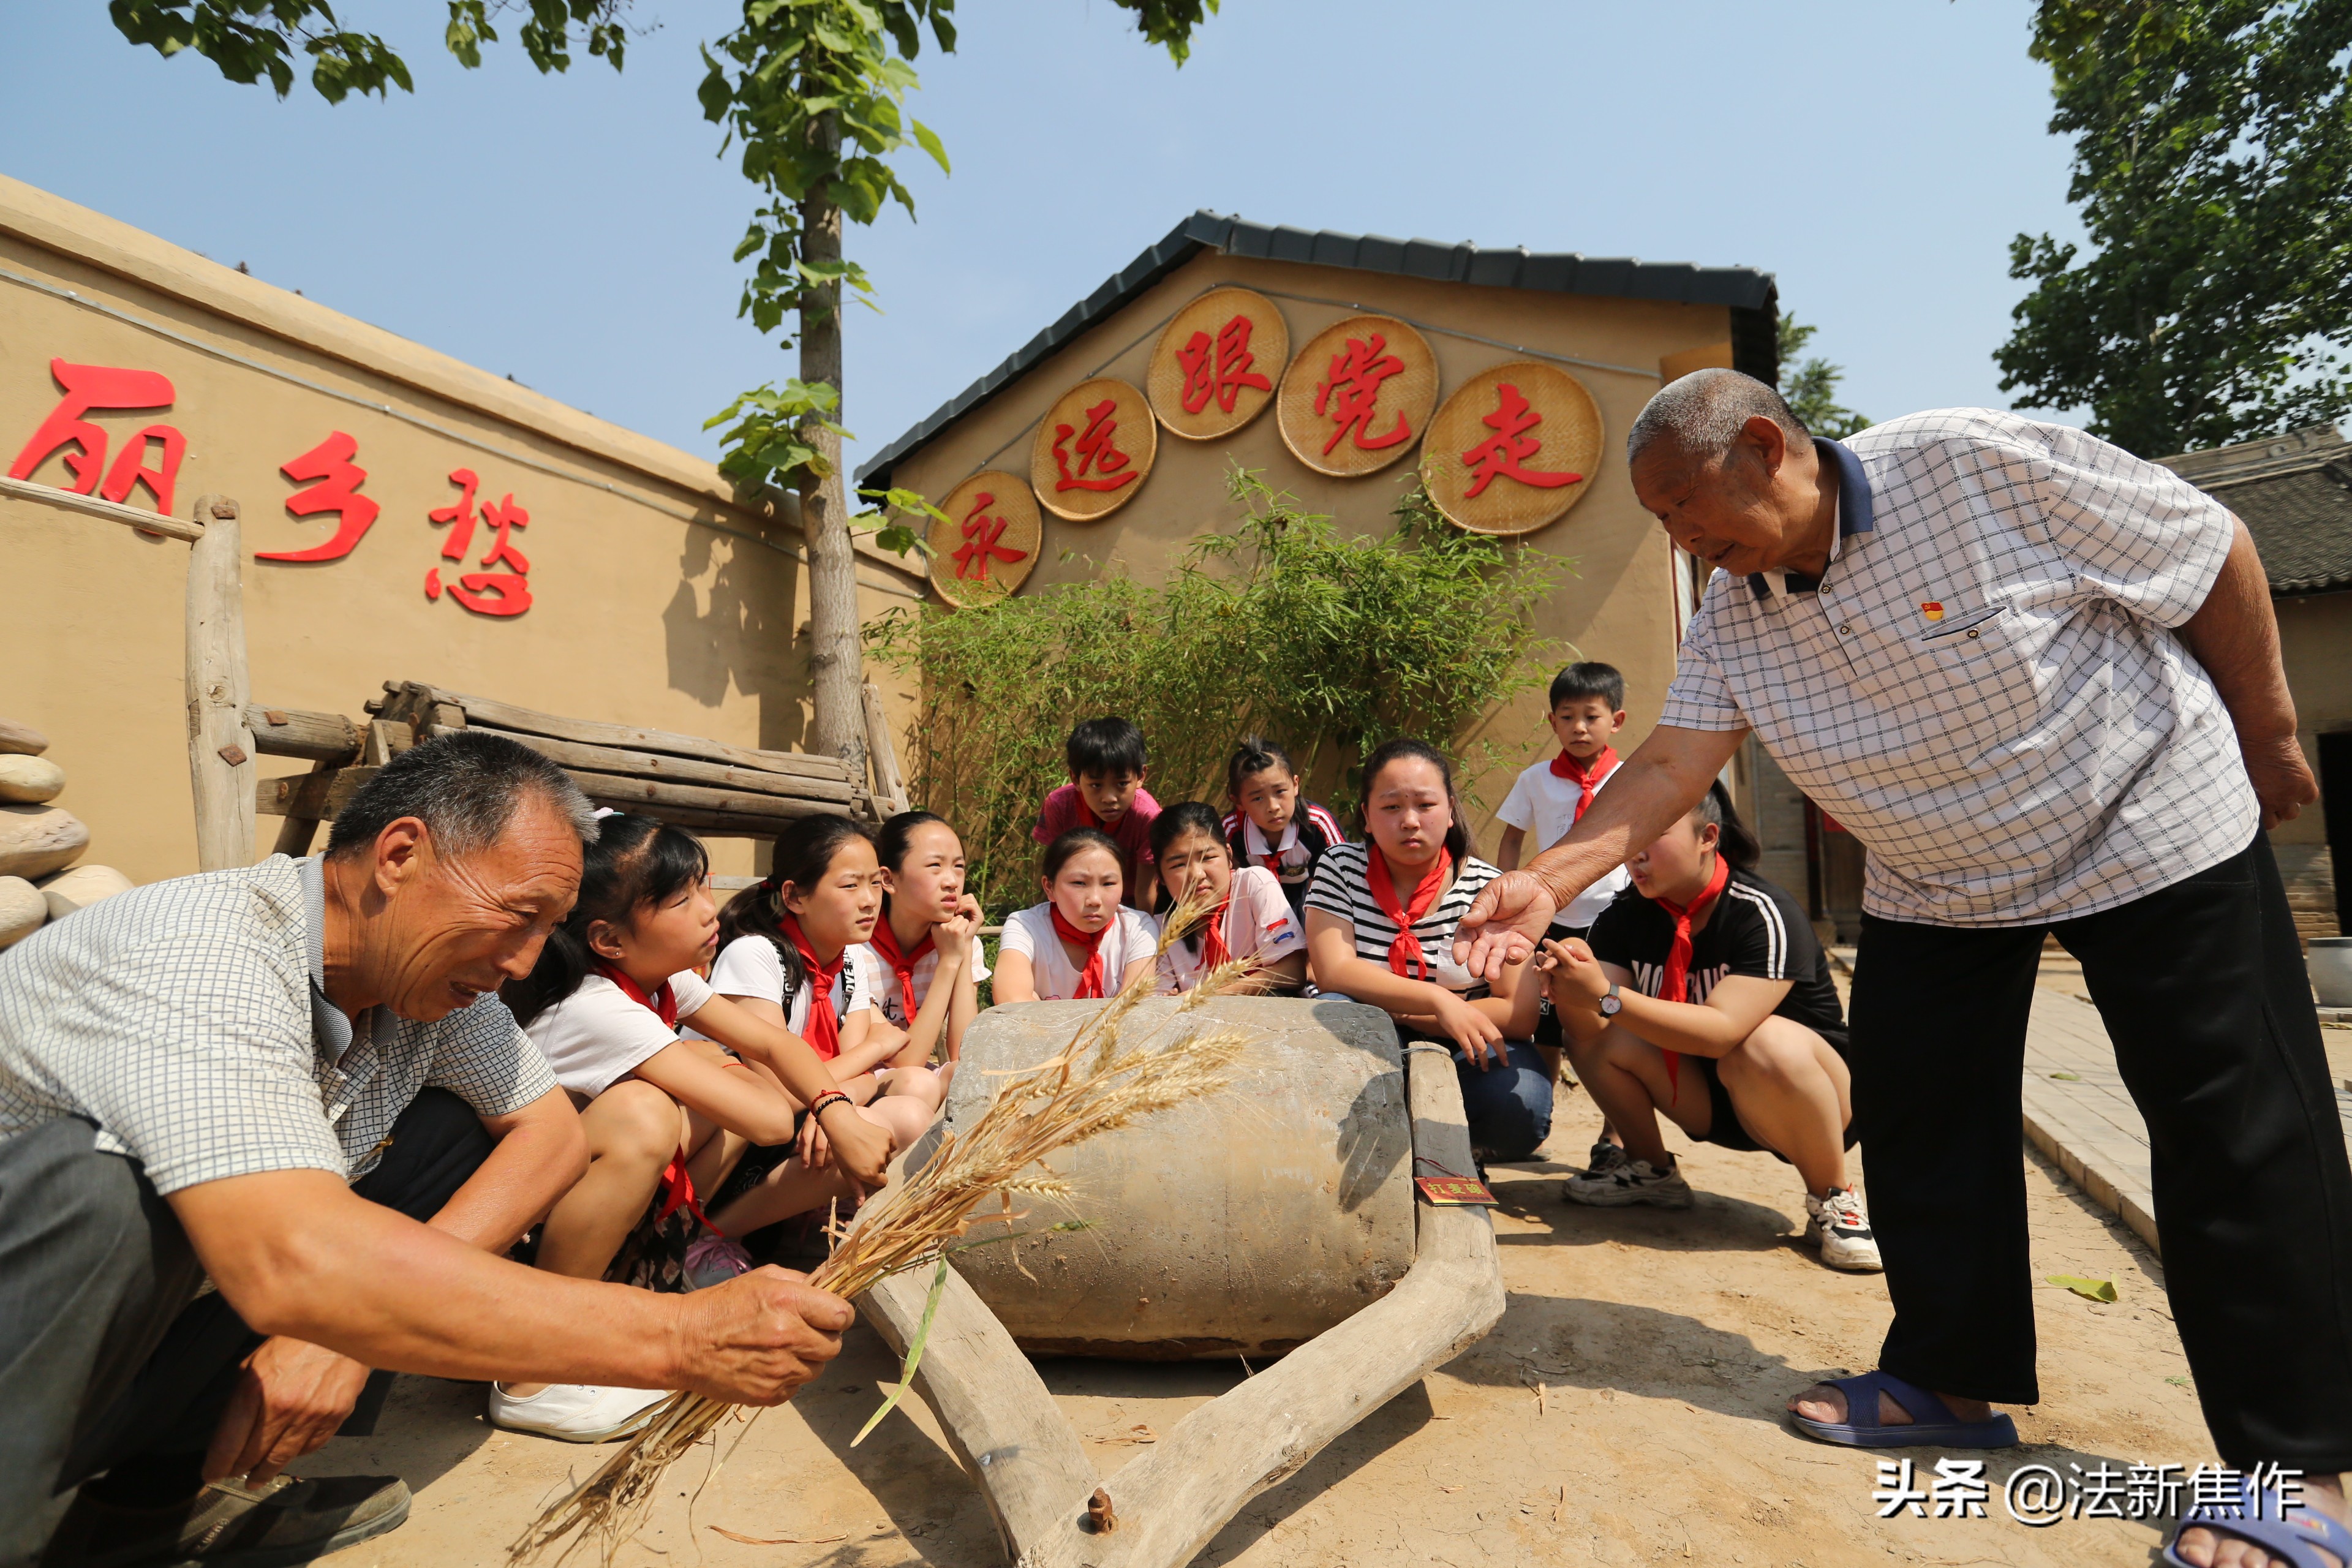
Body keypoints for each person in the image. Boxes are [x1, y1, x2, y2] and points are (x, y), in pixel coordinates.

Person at [1452, 369, 2352, 1567]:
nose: (1680, 539)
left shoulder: (1973, 464)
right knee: (1924, 1113)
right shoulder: (1733, 610)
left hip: (2146, 817)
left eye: (1684, 504)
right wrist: (1550, 878)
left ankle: (2299, 1467)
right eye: (1660, 519)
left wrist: (2270, 733)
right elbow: (1670, 763)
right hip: (1943, 878)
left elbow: (2210, 551)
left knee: (2233, 1126)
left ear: (1764, 446)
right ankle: (1949, 1379)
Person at [0, 733, 861, 1567]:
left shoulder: (422, 986)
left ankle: (141, 1509)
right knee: (102, 1190)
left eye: (550, 927)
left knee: (452, 1136)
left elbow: (551, 1138)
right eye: (520, 916)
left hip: (137, 1341)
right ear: (400, 856)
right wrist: (680, 1338)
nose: (525, 963)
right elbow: (286, 1258)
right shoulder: (205, 955)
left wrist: (350, 1329)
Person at [494, 812, 899, 1441]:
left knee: (702, 1085)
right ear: (609, 939)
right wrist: (731, 1067)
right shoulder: (596, 1007)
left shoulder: (665, 981)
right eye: (682, 900)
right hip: (519, 1242)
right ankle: (532, 1372)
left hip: (575, 1209)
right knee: (645, 1112)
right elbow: (770, 1120)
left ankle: (635, 1291)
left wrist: (834, 1108)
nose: (710, 910)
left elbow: (775, 1047)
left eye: (703, 888)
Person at [1544, 784, 1879, 1272]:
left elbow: (1722, 1030)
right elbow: (1590, 1027)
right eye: (1630, 838)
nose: (1636, 854)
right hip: (1704, 1098)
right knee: (1595, 1035)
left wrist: (1604, 996)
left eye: (1655, 834)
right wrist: (1570, 985)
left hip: (1812, 1102)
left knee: (1763, 1041)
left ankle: (1833, 1197)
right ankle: (1651, 1169)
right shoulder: (1625, 916)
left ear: (1708, 837)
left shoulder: (1761, 911)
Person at [687, 816, 949, 1238]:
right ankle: (706, 1237)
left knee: (918, 1083)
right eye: (850, 886)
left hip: (799, 1113)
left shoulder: (849, 958)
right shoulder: (755, 955)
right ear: (794, 896)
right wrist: (869, 1054)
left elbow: (855, 1071)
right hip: (732, 1144)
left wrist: (837, 1100)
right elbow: (777, 1092)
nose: (870, 901)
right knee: (901, 1116)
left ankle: (808, 1214)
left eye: (875, 883)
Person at [1302, 739, 1548, 1164]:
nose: (1410, 821)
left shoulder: (1491, 889)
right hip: (1376, 1040)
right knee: (1336, 1010)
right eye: (1391, 807)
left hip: (1465, 1044)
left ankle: (1459, 1154)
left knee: (1522, 1105)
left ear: (1451, 810)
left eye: (1425, 805)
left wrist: (1416, 1015)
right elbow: (1334, 972)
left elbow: (1519, 1011)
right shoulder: (1339, 868)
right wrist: (1438, 1001)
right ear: (1366, 817)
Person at [857, 810, 988, 1070]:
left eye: (959, 867)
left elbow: (964, 1056)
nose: (952, 882)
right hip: (860, 1078)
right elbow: (903, 1063)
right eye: (935, 866)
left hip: (917, 1081)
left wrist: (963, 947)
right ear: (888, 879)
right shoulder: (856, 949)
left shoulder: (958, 942)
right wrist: (948, 962)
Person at [1148, 801, 1307, 995]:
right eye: (1179, 865)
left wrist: (1205, 995)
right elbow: (1161, 999)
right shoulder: (1163, 929)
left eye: (1208, 858)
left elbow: (1292, 971)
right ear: (1161, 876)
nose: (1197, 875)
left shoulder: (1254, 885)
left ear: (1228, 855)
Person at [995, 829, 1161, 1002]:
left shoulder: (1139, 928)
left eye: (1108, 883)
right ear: (1049, 887)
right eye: (1079, 883)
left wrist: (1037, 1004)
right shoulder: (1025, 926)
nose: (1094, 900)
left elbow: (1134, 1008)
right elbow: (1011, 1002)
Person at [1033, 717, 1161, 909]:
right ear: (1075, 779)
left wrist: (1143, 927)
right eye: (1096, 785)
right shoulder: (1059, 805)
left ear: (1141, 776)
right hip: (1075, 902)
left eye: (1122, 784)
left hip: (1130, 907)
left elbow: (1144, 891)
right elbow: (1055, 872)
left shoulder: (1148, 817)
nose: (1109, 798)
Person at [1221, 735, 1347, 919]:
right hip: (1251, 906)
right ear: (1238, 801)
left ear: (1295, 785)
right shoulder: (1230, 831)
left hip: (1309, 900)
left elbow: (1341, 882)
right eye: (1258, 798)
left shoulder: (1318, 824)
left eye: (1280, 791)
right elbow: (1223, 890)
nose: (1273, 807)